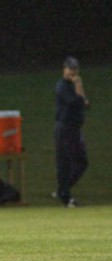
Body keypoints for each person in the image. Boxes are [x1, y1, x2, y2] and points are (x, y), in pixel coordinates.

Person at [53, 56, 90, 207]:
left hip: (75, 128)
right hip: (64, 128)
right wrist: (79, 86)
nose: (73, 72)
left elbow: (86, 105)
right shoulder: (62, 86)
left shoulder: (73, 85)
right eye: (70, 69)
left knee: (82, 162)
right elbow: (77, 102)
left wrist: (81, 92)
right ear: (64, 69)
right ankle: (66, 198)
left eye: (75, 69)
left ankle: (62, 189)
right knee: (65, 163)